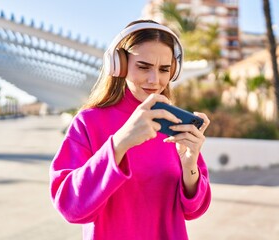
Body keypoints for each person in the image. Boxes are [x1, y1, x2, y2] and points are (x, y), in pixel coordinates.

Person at [49, 19, 211, 240]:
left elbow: (194, 209)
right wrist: (120, 143)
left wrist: (190, 165)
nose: (155, 80)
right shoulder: (88, 122)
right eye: (143, 67)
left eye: (164, 69)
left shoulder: (175, 124)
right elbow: (70, 207)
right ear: (119, 65)